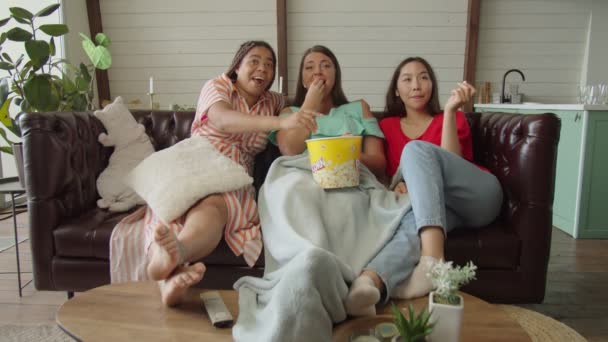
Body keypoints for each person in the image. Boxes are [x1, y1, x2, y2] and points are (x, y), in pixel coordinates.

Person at [145, 40, 318, 306]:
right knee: (177, 205)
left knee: (214, 207)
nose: (263, 68)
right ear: (237, 66)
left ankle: (172, 266)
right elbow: (222, 119)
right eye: (255, 61)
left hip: (233, 174)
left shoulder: (273, 101)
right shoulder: (218, 86)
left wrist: (312, 94)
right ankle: (172, 263)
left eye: (269, 65)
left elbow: (295, 130)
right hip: (196, 159)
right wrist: (281, 121)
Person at [344, 56, 504, 315]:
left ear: (432, 85)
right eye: (407, 79)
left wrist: (451, 112)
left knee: (415, 150)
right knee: (411, 222)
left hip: (478, 196)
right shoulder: (387, 126)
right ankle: (370, 282)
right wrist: (395, 186)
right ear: (397, 90)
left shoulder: (451, 118)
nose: (416, 85)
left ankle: (432, 260)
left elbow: (451, 163)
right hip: (439, 207)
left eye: (423, 77)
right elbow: (384, 176)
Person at [272, 45, 386, 179]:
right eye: (309, 67)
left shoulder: (359, 108)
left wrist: (347, 154)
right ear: (303, 80)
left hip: (349, 181)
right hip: (302, 180)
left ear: (335, 75)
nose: (317, 72)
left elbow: (379, 165)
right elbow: (289, 149)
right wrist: (310, 104)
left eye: (325, 66)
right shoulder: (289, 112)